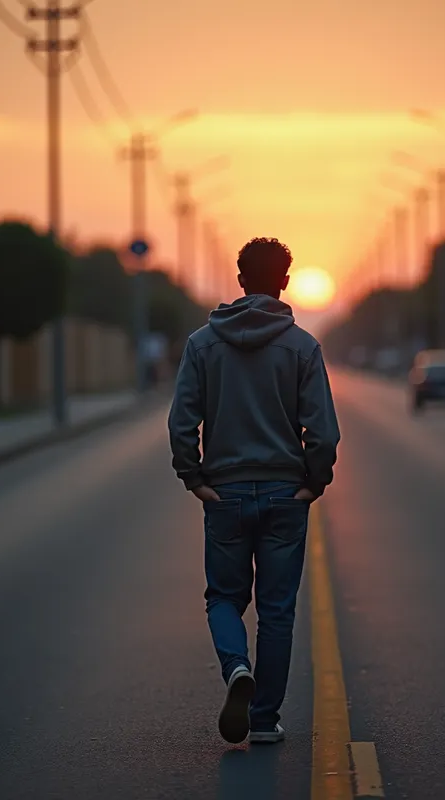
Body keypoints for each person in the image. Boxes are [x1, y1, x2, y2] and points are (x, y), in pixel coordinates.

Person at [168, 237, 340, 745]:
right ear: (284, 281)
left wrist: (194, 478)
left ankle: (236, 667)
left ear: (240, 279)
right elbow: (323, 433)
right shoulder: (303, 347)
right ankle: (264, 719)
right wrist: (314, 482)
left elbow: (182, 423)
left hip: (225, 494)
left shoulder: (203, 344)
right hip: (287, 495)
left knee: (223, 597)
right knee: (277, 610)